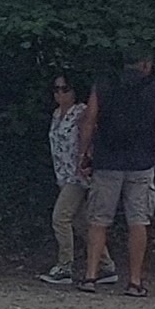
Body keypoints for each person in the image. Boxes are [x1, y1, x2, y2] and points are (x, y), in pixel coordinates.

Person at [78, 47, 155, 295]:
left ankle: (90, 277)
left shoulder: (103, 85)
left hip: (107, 161)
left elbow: (89, 120)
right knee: (138, 222)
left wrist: (84, 153)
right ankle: (134, 281)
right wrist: (154, 158)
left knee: (98, 221)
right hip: (140, 164)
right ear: (145, 64)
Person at [41, 72, 88, 283]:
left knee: (60, 218)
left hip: (77, 175)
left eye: (65, 89)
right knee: (80, 222)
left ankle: (65, 265)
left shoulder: (82, 112)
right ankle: (106, 265)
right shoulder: (56, 114)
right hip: (62, 174)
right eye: (56, 89)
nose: (60, 94)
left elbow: (90, 138)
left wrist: (86, 162)